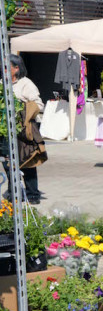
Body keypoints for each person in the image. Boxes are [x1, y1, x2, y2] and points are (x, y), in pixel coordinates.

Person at [5, 54, 45, 205]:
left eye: (6, 66)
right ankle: (14, 193)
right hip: (5, 129)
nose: (3, 69)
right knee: (8, 163)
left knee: (26, 161)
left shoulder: (26, 84)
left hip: (23, 129)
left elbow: (38, 104)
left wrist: (22, 112)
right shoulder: (3, 83)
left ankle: (32, 193)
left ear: (16, 68)